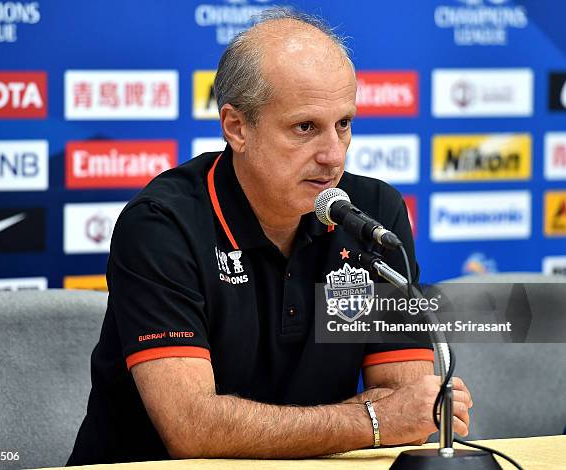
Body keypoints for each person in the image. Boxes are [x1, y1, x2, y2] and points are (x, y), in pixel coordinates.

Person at [68, 8, 472, 465]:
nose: (333, 155)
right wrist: (371, 421)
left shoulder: (372, 217)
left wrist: (384, 417)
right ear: (237, 128)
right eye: (305, 128)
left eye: (344, 124)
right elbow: (192, 430)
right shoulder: (163, 225)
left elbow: (412, 405)